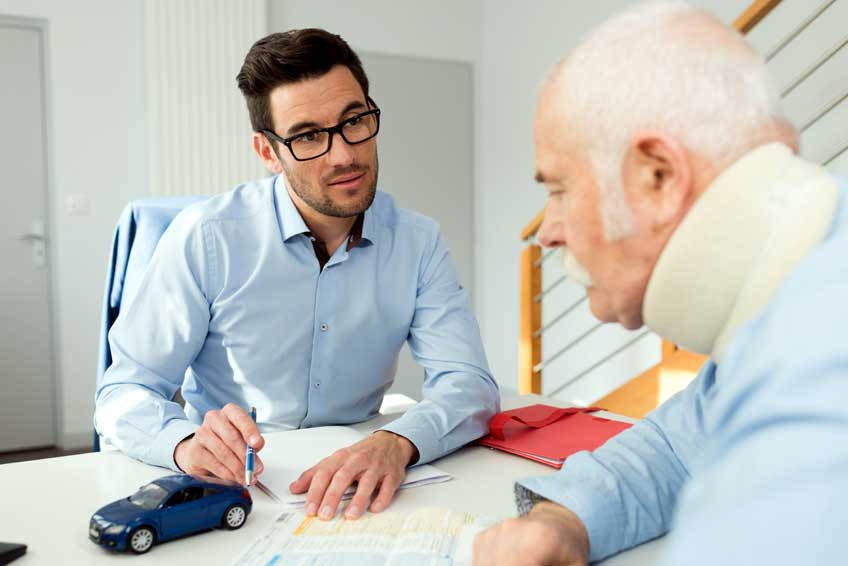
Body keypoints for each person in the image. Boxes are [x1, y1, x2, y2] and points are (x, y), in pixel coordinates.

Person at [474, 2, 847, 565]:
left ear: (659, 176)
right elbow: (677, 446)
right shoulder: (788, 305)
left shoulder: (819, 383)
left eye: (559, 190)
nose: (546, 233)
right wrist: (560, 521)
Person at [95, 28, 499, 522]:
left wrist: (397, 440)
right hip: (235, 488)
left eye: (355, 122)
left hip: (363, 488)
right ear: (268, 153)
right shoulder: (206, 237)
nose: (345, 154)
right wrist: (182, 443)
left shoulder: (418, 242)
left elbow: (469, 384)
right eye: (308, 136)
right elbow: (122, 392)